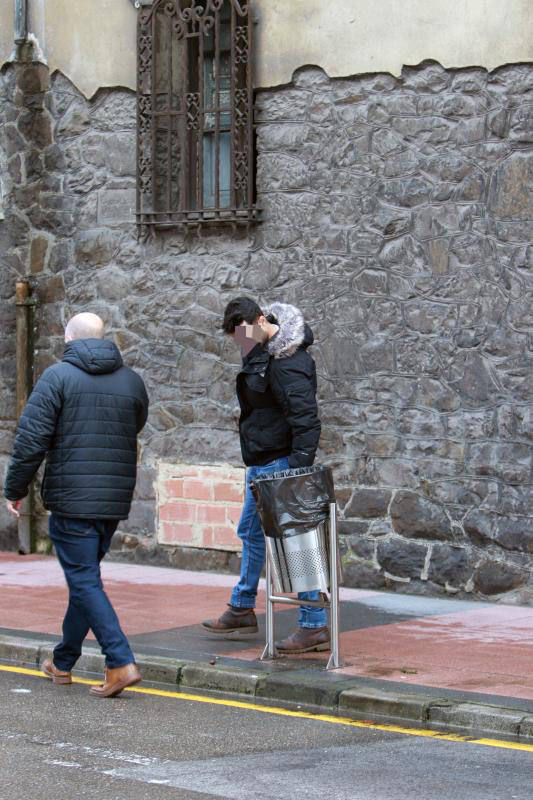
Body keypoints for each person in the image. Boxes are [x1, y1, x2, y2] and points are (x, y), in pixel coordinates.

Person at [4, 313, 149, 697]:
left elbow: (31, 440)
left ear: (69, 339)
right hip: (112, 501)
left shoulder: (58, 377)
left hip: (71, 499)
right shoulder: (131, 381)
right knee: (86, 581)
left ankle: (119, 661)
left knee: (84, 580)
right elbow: (134, 426)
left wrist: (14, 489)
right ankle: (63, 661)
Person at [202, 297, 330, 653]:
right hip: (262, 461)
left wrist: (299, 465)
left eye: (242, 334)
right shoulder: (261, 350)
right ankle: (242, 607)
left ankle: (313, 625)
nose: (239, 343)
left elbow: (306, 416)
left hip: (281, 463)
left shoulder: (288, 360)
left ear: (261, 320)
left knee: (296, 541)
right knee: (251, 532)